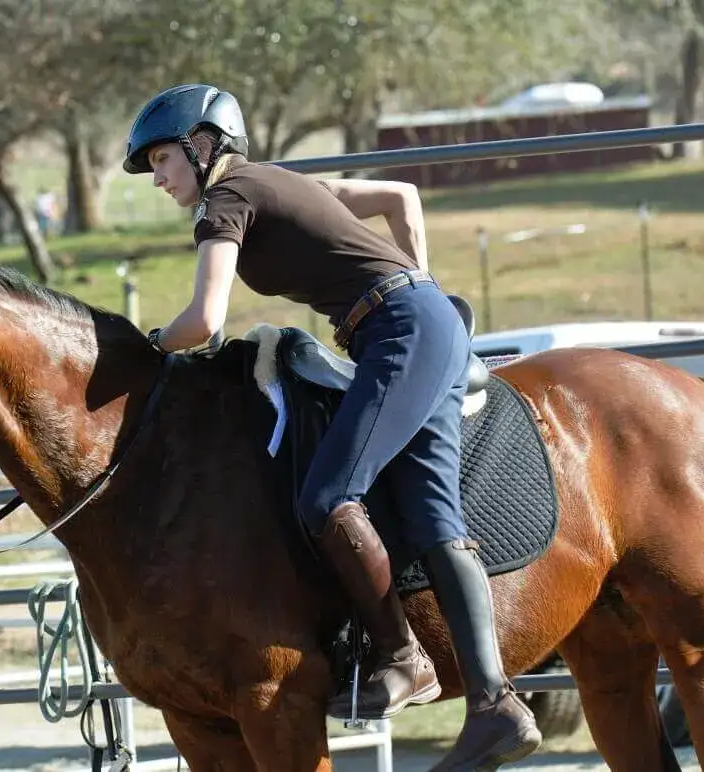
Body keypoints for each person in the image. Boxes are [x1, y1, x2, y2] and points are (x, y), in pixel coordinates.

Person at [122, 84, 541, 769]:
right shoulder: (281, 181)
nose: (159, 178)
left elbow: (204, 321)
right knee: (434, 520)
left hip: (398, 334)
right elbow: (401, 198)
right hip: (422, 325)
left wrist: (147, 347)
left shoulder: (225, 200)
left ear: (201, 146)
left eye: (162, 159)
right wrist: (420, 284)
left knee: (326, 497)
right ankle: (496, 706)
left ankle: (404, 657)